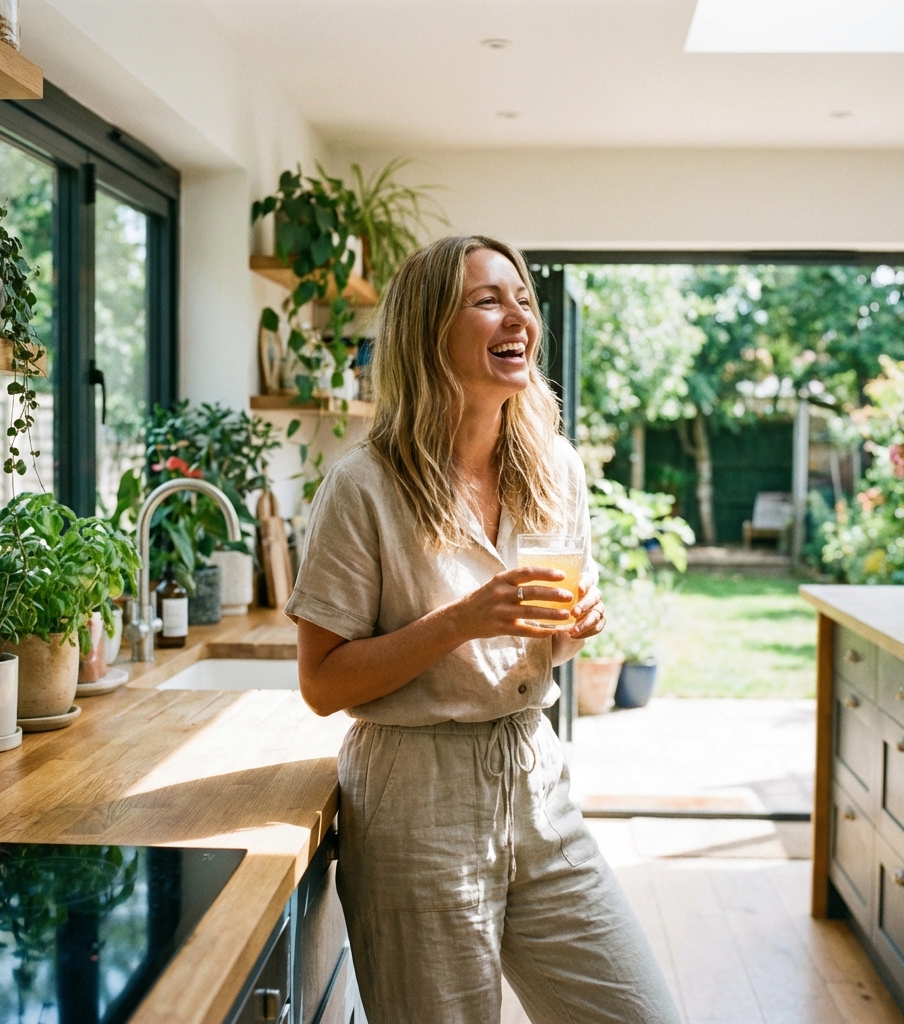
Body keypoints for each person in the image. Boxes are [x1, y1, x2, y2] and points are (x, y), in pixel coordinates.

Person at [286, 235, 681, 1024]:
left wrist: (576, 626)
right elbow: (323, 683)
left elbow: (542, 641)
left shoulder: (554, 466)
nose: (518, 318)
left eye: (523, 299)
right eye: (488, 299)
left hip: (536, 779)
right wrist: (460, 621)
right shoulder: (362, 487)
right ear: (428, 329)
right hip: (414, 801)